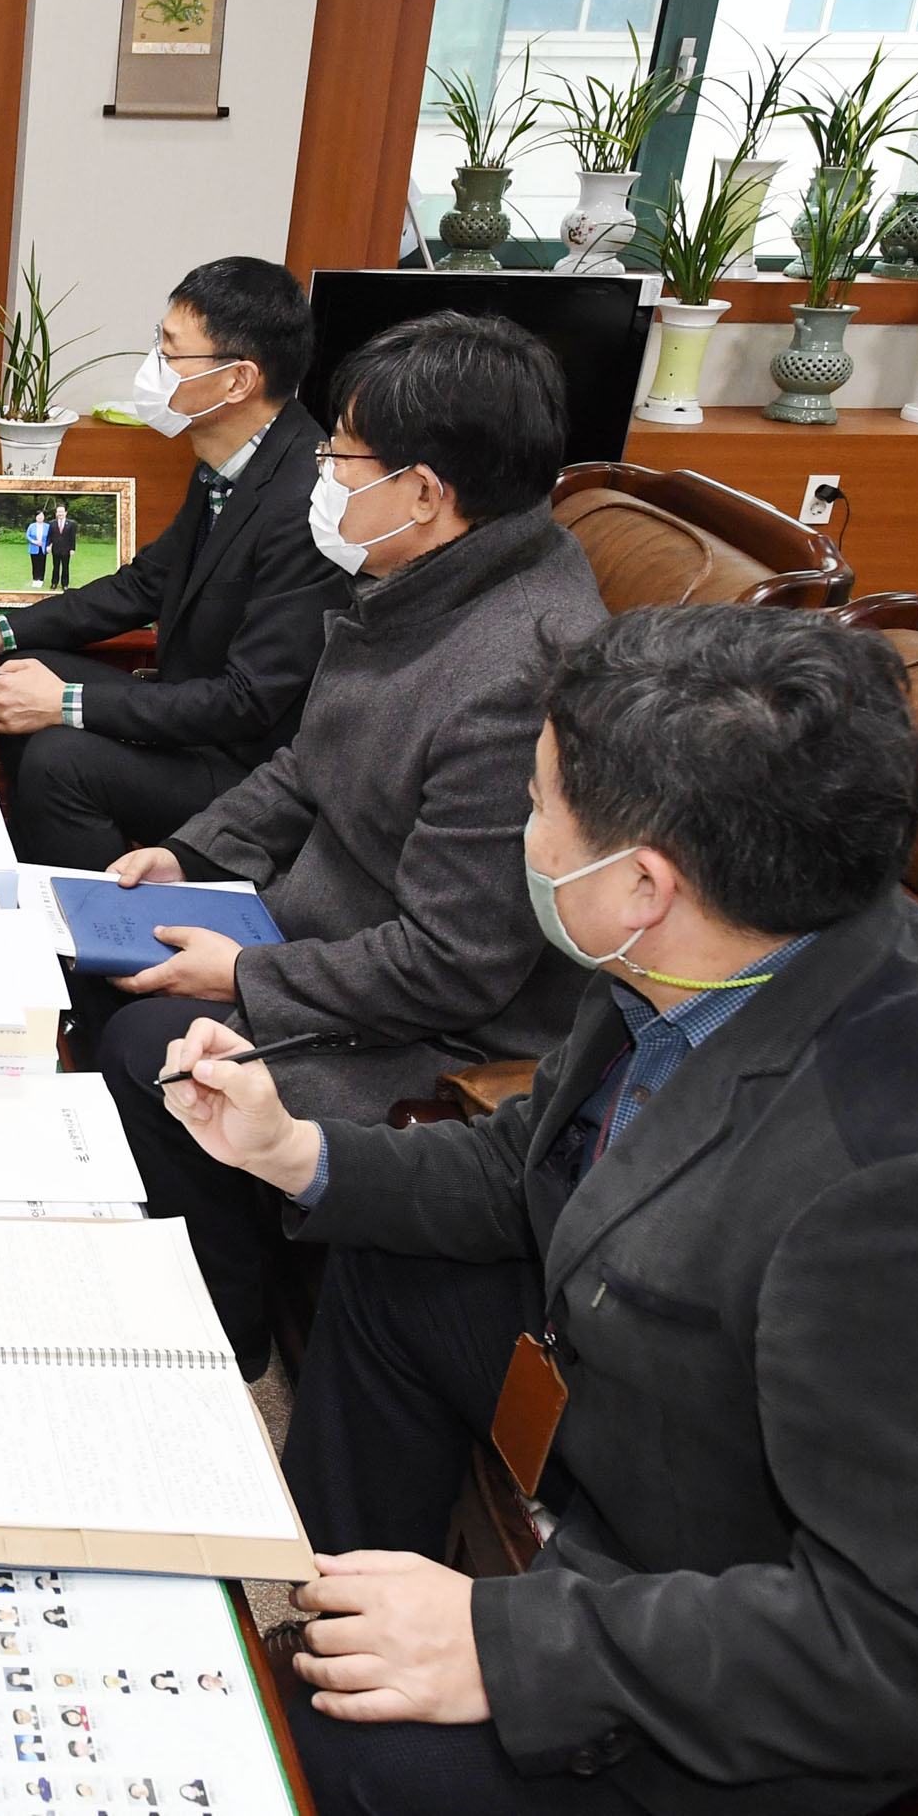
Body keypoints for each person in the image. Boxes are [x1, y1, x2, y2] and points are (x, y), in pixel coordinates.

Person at [154, 605, 918, 1815]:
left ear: (643, 881)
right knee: (398, 1267)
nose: (522, 833)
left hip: (805, 1701)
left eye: (538, 805)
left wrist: (508, 1644)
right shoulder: (705, 957)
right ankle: (335, 1625)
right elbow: (534, 1169)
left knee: (336, 1766)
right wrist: (297, 1151)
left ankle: (340, 1717)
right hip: (685, 1429)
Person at [94, 311, 607, 1374]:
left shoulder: (519, 673)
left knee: (152, 1051)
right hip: (322, 926)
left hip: (441, 1030)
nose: (323, 476)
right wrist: (186, 854)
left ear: (425, 491)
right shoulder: (419, 582)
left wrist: (245, 972)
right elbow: (306, 765)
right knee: (104, 959)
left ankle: (219, 1344)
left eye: (342, 457)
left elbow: (458, 962)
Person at [0, 258, 350, 871]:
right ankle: (42, 870)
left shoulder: (304, 501)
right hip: (196, 721)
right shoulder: (228, 456)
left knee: (57, 759)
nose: (154, 367)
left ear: (238, 381)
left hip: (249, 772)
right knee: (22, 668)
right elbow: (146, 582)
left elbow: (246, 702)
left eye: (173, 353)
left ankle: (99, 943)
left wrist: (67, 704)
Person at [24, 506, 52, 589]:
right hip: (33, 548)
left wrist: (49, 546)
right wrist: (34, 541)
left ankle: (41, 580)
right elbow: (27, 536)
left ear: (44, 517)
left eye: (42, 516)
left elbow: (50, 537)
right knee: (34, 564)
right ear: (36, 517)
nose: (40, 517)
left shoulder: (47, 526)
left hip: (43, 548)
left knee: (42, 564)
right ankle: (35, 579)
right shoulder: (31, 526)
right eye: (38, 516)